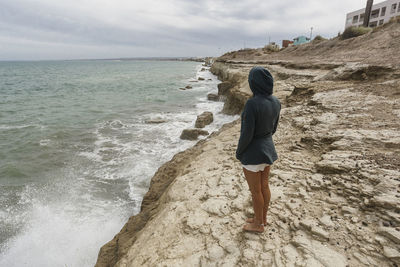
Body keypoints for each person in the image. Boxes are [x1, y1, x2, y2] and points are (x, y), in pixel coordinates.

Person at [236, 66, 281, 233]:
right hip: (268, 150)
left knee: (255, 191)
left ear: (253, 83)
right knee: (264, 187)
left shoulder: (251, 104)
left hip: (253, 153)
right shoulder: (276, 102)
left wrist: (239, 152)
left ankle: (258, 225)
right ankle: (262, 219)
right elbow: (273, 128)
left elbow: (246, 134)